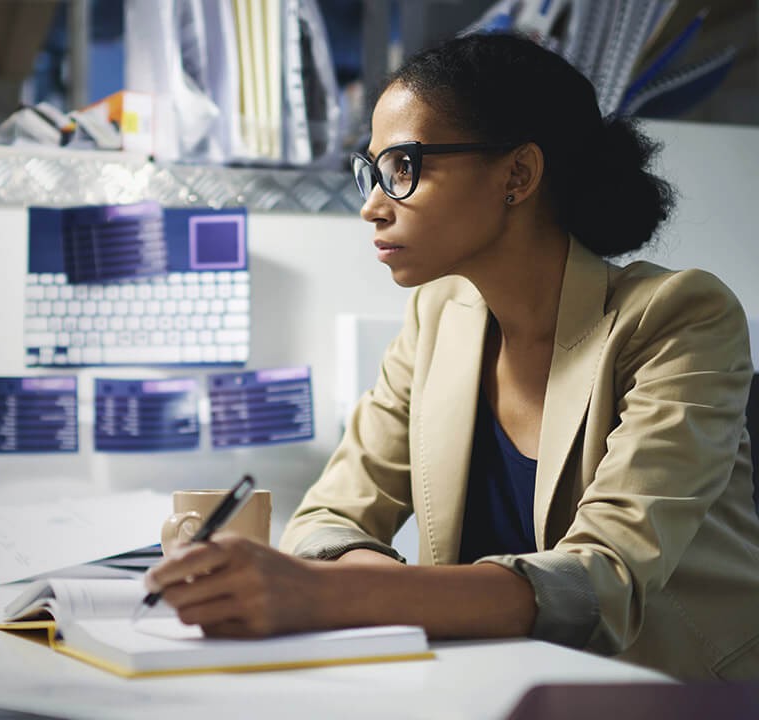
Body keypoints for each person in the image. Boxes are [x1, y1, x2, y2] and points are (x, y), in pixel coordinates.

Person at [144, 32, 759, 680]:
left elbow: (601, 579)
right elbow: (326, 517)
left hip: (675, 695)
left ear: (517, 175)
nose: (372, 206)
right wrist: (364, 593)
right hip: (491, 688)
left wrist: (328, 593)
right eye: (370, 170)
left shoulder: (679, 316)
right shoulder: (438, 317)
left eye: (403, 168)